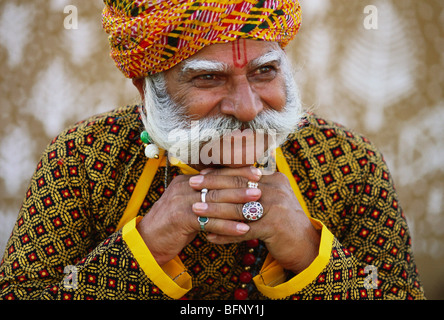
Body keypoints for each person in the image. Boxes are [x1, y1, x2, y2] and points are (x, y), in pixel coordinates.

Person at [0, 0, 425, 300]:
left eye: (264, 72)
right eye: (208, 79)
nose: (246, 108)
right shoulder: (83, 158)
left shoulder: (347, 161)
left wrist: (308, 251)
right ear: (147, 90)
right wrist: (147, 246)